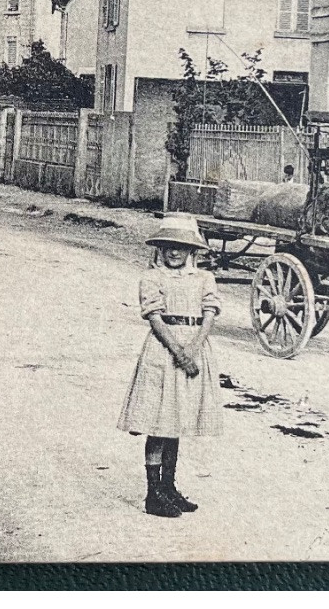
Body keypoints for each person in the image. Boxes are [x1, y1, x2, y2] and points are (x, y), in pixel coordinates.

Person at [117, 214, 222, 518]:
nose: (174, 252)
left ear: (193, 251)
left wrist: (194, 348)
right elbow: (154, 317)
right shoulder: (152, 278)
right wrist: (178, 351)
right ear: (159, 250)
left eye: (180, 247)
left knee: (178, 419)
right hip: (163, 352)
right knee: (159, 421)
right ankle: (153, 495)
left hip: (194, 347)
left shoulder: (204, 279)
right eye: (167, 247)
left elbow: (210, 313)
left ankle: (168, 487)